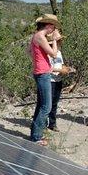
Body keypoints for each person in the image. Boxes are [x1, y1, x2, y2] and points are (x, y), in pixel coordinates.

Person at [28, 14, 61, 146]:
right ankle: (37, 136)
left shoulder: (36, 37)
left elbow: (29, 51)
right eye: (53, 26)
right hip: (42, 74)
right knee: (46, 107)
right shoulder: (40, 37)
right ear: (48, 25)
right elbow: (53, 53)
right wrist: (54, 40)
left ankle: (35, 134)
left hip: (40, 72)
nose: (54, 29)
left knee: (41, 105)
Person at [47, 34, 73, 132]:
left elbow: (61, 64)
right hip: (50, 80)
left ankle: (52, 123)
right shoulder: (47, 53)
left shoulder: (59, 53)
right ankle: (44, 122)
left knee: (54, 102)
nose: (60, 42)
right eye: (59, 41)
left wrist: (66, 69)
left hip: (58, 80)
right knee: (47, 103)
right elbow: (47, 68)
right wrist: (60, 70)